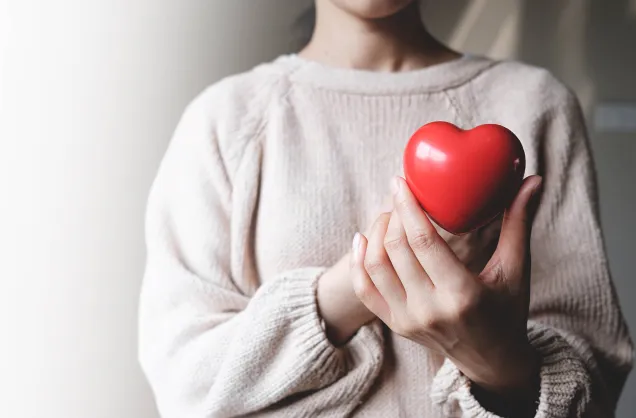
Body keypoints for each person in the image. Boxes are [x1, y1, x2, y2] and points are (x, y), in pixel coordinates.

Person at [138, 1, 633, 417]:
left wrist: (499, 364)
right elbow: (184, 385)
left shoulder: (534, 104)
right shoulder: (227, 119)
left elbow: (597, 384)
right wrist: (350, 291)